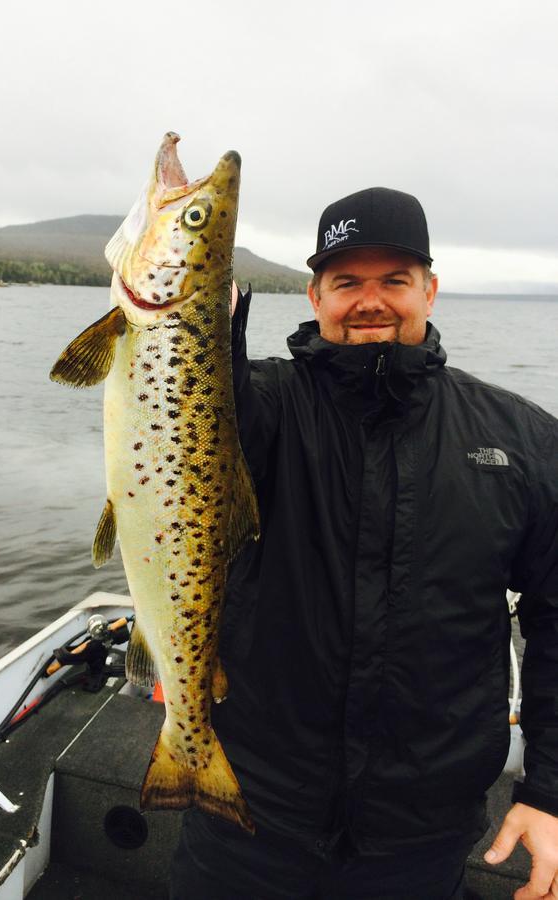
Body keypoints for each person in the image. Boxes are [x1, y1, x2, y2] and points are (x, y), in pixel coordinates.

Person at [170, 187, 558, 900]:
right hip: (247, 815)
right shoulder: (255, 412)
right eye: (346, 282)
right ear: (314, 296)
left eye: (393, 281)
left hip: (419, 835)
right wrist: (192, 313)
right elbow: (187, 407)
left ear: (430, 291)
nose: (369, 300)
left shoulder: (521, 439)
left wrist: (549, 791)